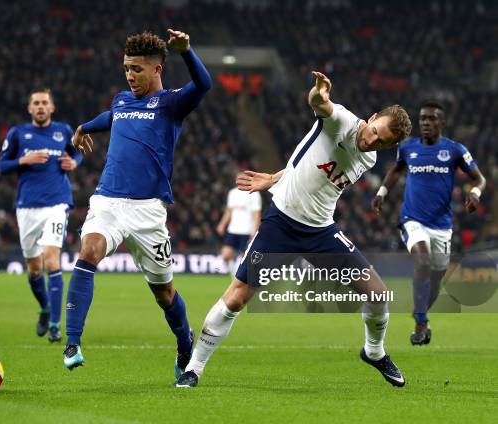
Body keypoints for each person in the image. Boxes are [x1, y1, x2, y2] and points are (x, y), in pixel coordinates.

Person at [175, 71, 412, 388]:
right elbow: (321, 106)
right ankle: (194, 368)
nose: (373, 140)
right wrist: (319, 94)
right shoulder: (341, 121)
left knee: (379, 294)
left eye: (383, 141)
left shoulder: (368, 159)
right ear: (371, 118)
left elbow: (308, 166)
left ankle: (374, 351)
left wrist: (273, 178)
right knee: (236, 299)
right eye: (375, 131)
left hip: (321, 232)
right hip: (282, 226)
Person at [63, 29, 211, 376]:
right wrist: (84, 127)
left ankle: (184, 342)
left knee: (164, 294)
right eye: (127, 68)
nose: (130, 75)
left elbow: (203, 85)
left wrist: (187, 51)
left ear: (157, 69)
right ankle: (72, 341)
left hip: (149, 211)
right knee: (89, 251)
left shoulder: (171, 103)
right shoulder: (121, 100)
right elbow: (111, 117)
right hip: (108, 202)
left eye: (138, 69)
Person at [372, 100, 486, 345]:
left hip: (442, 226)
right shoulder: (408, 147)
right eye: (422, 118)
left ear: (441, 123)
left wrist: (475, 193)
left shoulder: (455, 150)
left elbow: (480, 179)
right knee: (422, 262)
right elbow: (395, 170)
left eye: (431, 118)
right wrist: (382, 192)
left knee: (435, 280)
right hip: (412, 219)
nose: (425, 122)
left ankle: (421, 312)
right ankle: (421, 324)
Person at [0, 88, 82, 343]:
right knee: (34, 269)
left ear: (52, 107)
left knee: (52, 261)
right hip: (26, 206)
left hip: (57, 203)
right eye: (36, 103)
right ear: (30, 108)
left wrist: (75, 162)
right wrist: (24, 160)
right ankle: (45, 308)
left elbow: (76, 152)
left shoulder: (64, 131)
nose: (41, 106)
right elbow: (2, 166)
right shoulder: (17, 134)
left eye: (45, 102)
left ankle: (56, 325)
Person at [216, 186, 261, 276]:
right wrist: (222, 224)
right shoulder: (233, 192)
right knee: (226, 254)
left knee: (244, 259)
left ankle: (241, 278)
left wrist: (255, 230)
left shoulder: (254, 193)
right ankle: (234, 276)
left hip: (247, 230)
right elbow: (229, 211)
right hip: (233, 229)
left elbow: (257, 214)